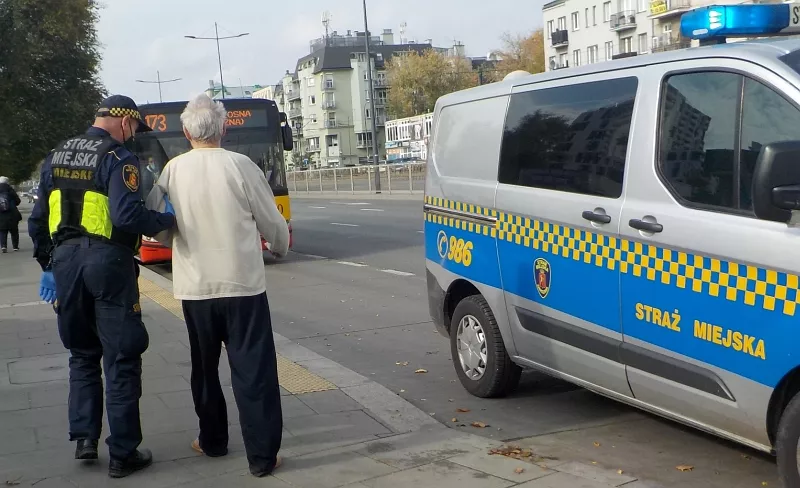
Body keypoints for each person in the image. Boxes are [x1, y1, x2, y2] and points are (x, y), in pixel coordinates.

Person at [28, 95, 176, 479]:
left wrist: (47, 265)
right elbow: (125, 215)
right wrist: (164, 220)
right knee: (122, 356)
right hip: (108, 264)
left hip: (65, 264)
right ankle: (124, 452)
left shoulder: (57, 156)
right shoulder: (117, 157)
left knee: (81, 353)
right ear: (125, 122)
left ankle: (85, 438)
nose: (133, 136)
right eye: (134, 128)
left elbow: (38, 220)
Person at [145, 94, 289, 478]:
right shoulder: (241, 166)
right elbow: (271, 220)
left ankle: (212, 441)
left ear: (186, 132)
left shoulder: (172, 171)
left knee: (204, 368)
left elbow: (155, 224)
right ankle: (262, 458)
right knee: (254, 371)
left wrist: (172, 240)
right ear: (224, 128)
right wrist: (279, 246)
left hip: (195, 289)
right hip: (244, 287)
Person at [0, 176, 22, 252]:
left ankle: (3, 246)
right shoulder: (10, 190)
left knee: (2, 231)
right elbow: (18, 201)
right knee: (14, 231)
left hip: (1, 214)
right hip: (12, 214)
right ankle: (15, 246)